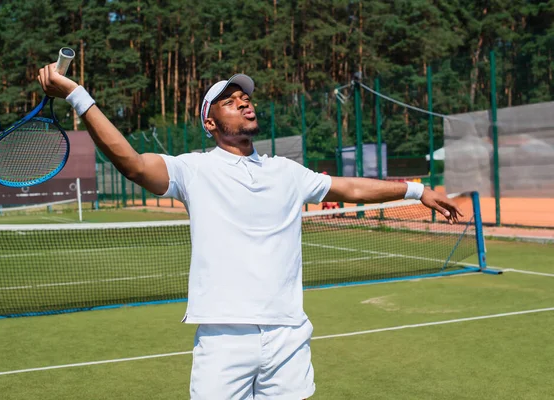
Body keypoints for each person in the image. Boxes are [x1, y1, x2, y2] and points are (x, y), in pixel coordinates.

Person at [38, 67, 462, 399]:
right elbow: (129, 161)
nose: (244, 104)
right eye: (229, 101)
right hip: (225, 335)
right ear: (209, 122)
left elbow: (349, 187)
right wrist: (77, 94)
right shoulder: (192, 169)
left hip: (289, 331)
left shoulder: (287, 172)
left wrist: (416, 190)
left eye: (245, 99)